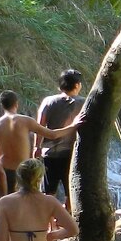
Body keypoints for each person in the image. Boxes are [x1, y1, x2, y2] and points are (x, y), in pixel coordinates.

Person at [0, 90, 78, 195]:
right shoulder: (25, 121)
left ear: (2, 105)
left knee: (4, 206)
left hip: (4, 171)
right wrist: (74, 126)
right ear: (16, 103)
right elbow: (52, 135)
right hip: (23, 172)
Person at [34, 69, 85, 212]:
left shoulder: (48, 101)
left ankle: (50, 225)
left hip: (49, 153)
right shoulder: (83, 103)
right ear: (76, 85)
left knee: (49, 191)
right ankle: (67, 217)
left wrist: (36, 147)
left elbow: (40, 126)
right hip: (72, 154)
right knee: (71, 190)